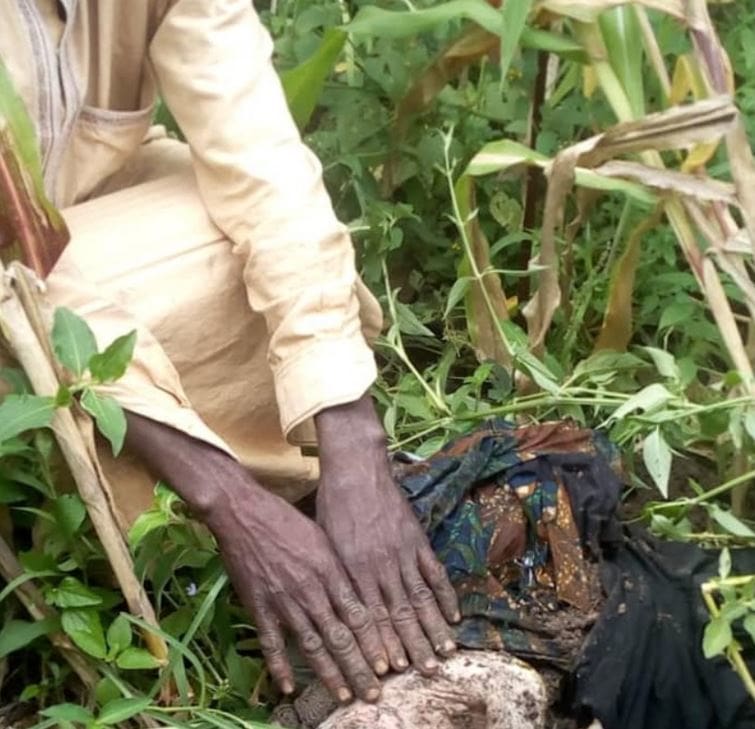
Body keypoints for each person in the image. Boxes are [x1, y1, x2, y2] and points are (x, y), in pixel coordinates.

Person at [0, 0, 459, 704]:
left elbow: (260, 162)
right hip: (15, 275)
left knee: (248, 247)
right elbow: (21, 278)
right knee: (48, 338)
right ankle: (174, 539)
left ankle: (300, 502)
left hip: (99, 212)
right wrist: (227, 499)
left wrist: (352, 433)